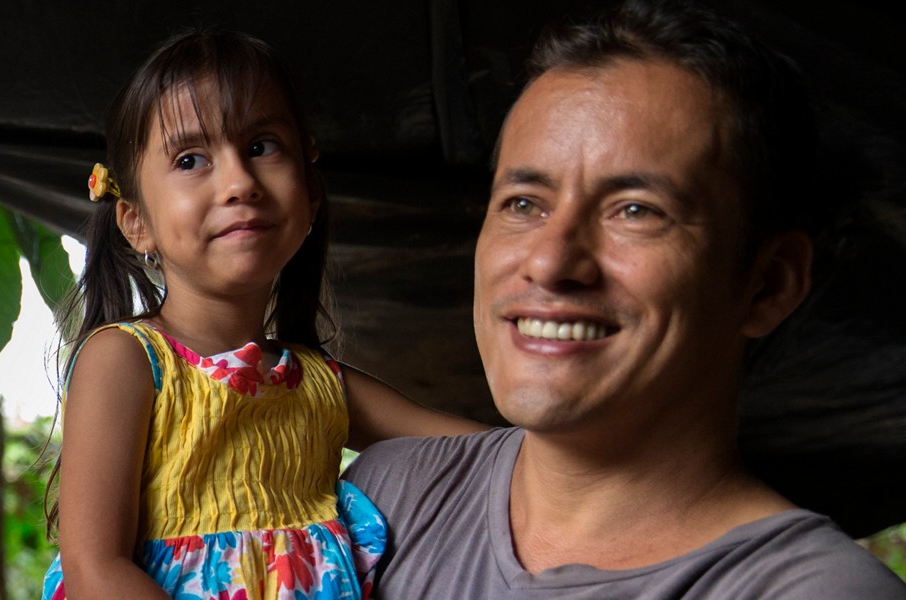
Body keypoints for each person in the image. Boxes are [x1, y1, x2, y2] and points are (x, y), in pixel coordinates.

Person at [341, 1, 906, 598]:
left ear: (768, 284)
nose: (551, 262)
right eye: (524, 203)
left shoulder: (811, 591)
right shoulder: (389, 499)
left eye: (636, 211)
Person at [38, 30, 483, 600]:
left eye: (262, 147)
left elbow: (482, 451)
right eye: (191, 159)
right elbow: (95, 570)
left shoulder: (319, 384)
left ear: (310, 197)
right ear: (135, 221)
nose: (239, 183)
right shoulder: (124, 360)